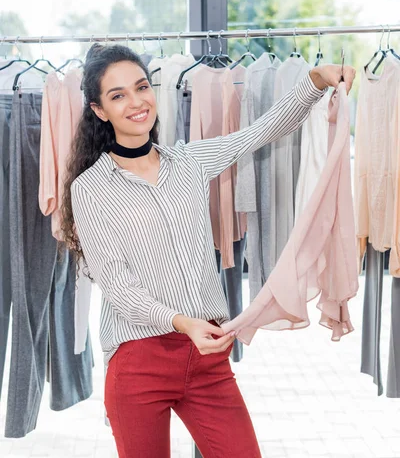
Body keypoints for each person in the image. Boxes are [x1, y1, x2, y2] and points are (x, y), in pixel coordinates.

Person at [61, 43, 356, 458]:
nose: (136, 102)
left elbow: (260, 131)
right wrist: (182, 323)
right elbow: (117, 287)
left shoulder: (189, 162)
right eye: (118, 95)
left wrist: (315, 81)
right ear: (99, 110)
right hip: (139, 361)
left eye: (141, 87)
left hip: (208, 356)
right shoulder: (90, 189)